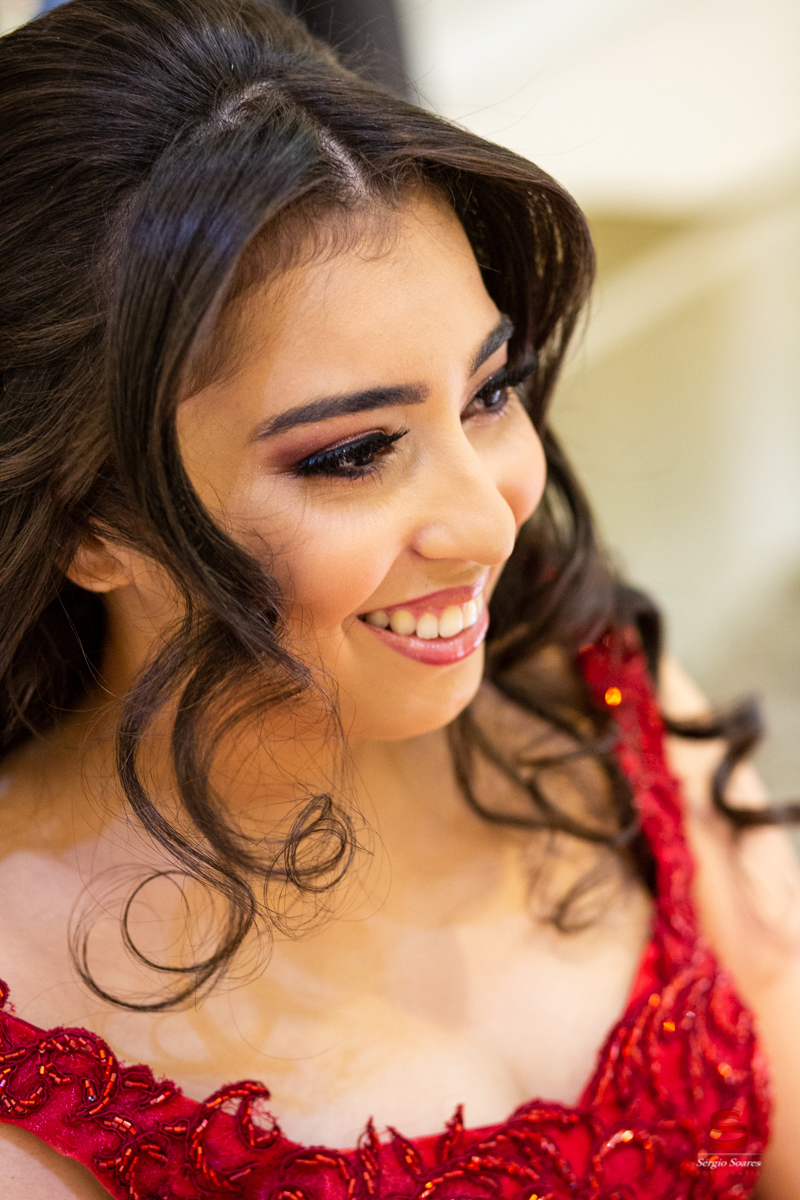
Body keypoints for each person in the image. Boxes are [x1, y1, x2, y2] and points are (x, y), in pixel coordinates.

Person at [0, 2, 798, 1197]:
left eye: (488, 393)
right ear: (90, 523)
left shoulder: (582, 683)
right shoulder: (29, 1059)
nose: (489, 523)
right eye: (350, 455)